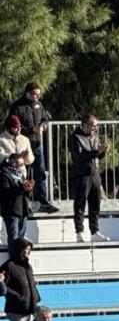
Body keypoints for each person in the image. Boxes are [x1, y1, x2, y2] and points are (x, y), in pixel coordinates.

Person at [8, 84, 56, 212]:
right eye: (35, 94)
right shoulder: (17, 106)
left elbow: (45, 119)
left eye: (39, 94)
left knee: (40, 172)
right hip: (22, 145)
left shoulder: (39, 105)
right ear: (27, 93)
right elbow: (13, 126)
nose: (37, 96)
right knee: (23, 173)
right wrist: (30, 129)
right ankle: (25, 203)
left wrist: (43, 126)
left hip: (37, 144)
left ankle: (43, 202)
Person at [67, 114, 111, 243]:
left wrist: (102, 152)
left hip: (94, 173)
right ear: (84, 124)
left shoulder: (95, 136)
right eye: (92, 126)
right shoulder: (76, 137)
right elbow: (78, 158)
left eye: (96, 126)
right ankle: (79, 232)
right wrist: (97, 152)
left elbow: (96, 156)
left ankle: (94, 231)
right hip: (82, 174)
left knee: (95, 204)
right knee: (80, 204)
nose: (94, 128)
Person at [1, 238, 38, 321]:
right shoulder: (9, 265)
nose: (27, 251)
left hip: (29, 308)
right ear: (18, 249)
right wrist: (19, 297)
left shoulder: (28, 265)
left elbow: (31, 284)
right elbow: (3, 288)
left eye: (29, 249)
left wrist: (36, 298)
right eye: (25, 249)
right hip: (16, 309)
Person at [0, 153, 33, 246]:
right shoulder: (4, 175)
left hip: (23, 210)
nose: (23, 167)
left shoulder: (21, 176)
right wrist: (22, 188)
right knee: (14, 239)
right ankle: (13, 259)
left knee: (21, 240)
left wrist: (29, 189)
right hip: (12, 212)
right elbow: (6, 193)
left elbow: (26, 194)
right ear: (14, 164)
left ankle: (20, 259)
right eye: (21, 164)